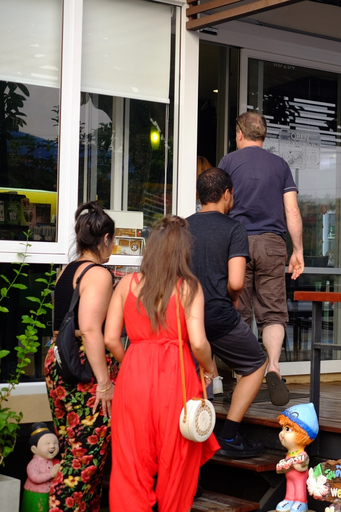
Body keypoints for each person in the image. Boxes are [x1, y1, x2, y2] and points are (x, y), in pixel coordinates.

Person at [104, 216, 219, 511]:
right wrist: (209, 368)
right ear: (184, 252)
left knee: (131, 465)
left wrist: (132, 362)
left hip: (133, 376)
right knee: (177, 462)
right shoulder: (189, 288)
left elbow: (110, 338)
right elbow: (198, 342)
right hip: (176, 378)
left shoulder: (126, 284)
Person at [218, 110, 303, 406]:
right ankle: (274, 366)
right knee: (273, 312)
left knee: (239, 311)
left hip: (236, 242)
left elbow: (219, 205)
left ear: (240, 134)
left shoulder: (228, 162)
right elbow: (291, 210)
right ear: (263, 136)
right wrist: (298, 250)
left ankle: (244, 377)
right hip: (271, 243)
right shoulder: (280, 165)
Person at [187, 167, 269, 457]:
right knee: (256, 363)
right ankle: (230, 436)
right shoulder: (233, 228)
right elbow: (236, 282)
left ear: (199, 196)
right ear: (226, 194)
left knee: (194, 374)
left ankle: (195, 440)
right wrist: (233, 298)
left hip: (182, 317)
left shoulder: (182, 227)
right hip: (216, 313)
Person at [44, 201, 117, 512]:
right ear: (104, 239)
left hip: (58, 358)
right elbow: (89, 329)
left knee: (74, 449)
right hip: (84, 367)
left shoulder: (67, 271)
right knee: (85, 458)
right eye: (112, 241)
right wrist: (104, 381)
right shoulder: (98, 274)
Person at [275, 403, 319, 512]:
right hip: (289, 476)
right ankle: (289, 499)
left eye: (287, 429)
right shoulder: (289, 454)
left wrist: (295, 464)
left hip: (299, 477)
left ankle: (301, 501)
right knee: (289, 485)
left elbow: (302, 468)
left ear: (302, 434)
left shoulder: (302, 455)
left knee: (299, 486)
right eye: (283, 429)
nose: (281, 433)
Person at [22, 423, 60, 512]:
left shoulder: (56, 461)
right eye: (47, 444)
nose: (52, 446)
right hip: (36, 494)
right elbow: (35, 477)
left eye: (55, 443)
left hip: (52, 493)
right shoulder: (34, 463)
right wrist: (51, 474)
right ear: (34, 449)